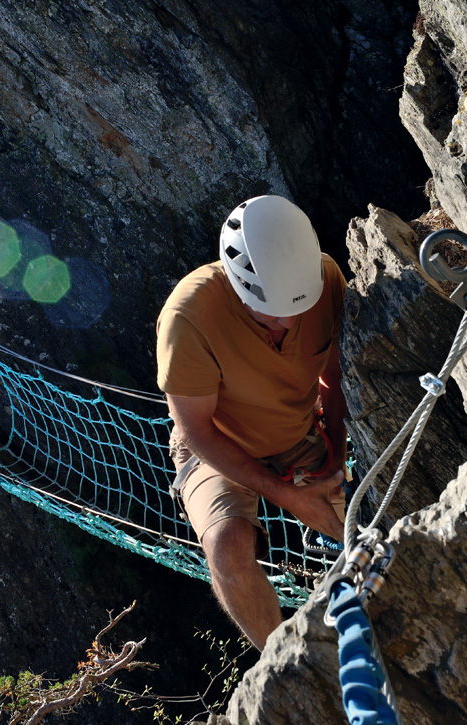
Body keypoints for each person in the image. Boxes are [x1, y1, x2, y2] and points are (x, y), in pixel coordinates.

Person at [156, 195, 348, 650]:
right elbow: (197, 430)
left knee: (359, 527)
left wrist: (335, 458)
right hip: (215, 445)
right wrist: (290, 498)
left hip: (297, 429)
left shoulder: (325, 279)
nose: (288, 320)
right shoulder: (189, 319)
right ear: (239, 285)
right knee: (227, 548)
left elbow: (333, 380)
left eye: (297, 307)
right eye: (271, 310)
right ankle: (285, 665)